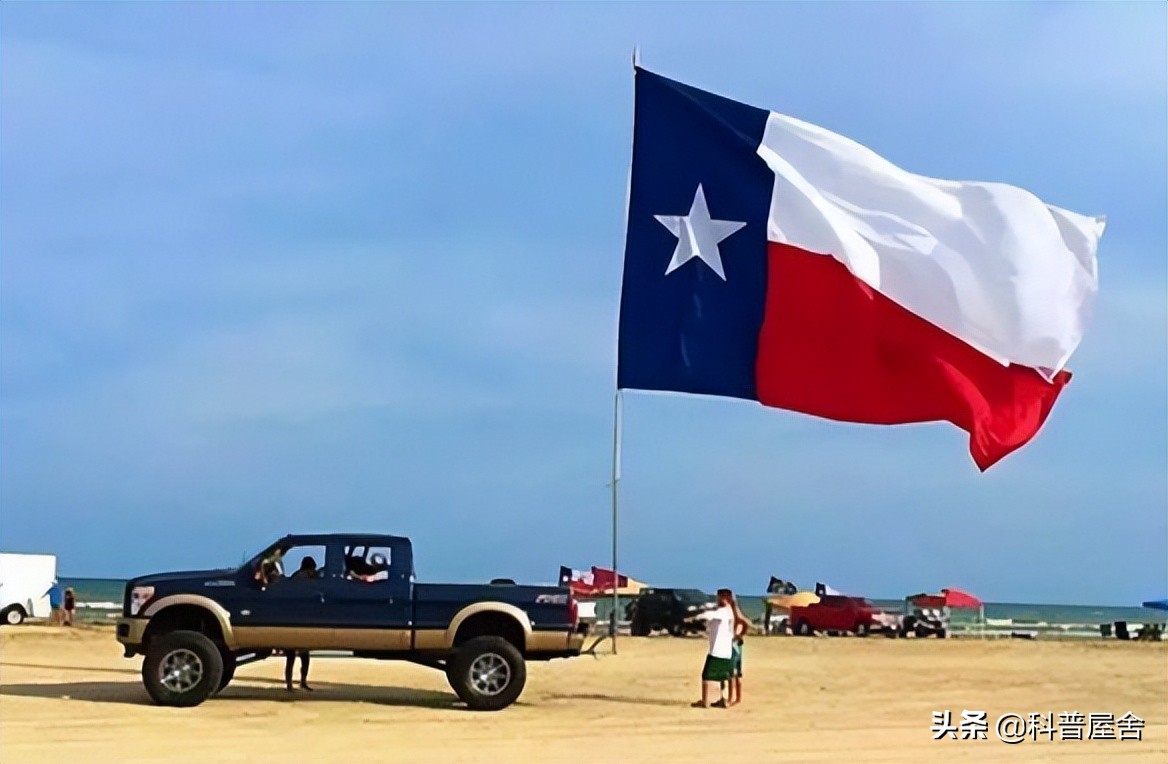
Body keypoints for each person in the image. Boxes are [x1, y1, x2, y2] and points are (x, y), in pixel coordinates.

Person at [691, 588, 736, 709]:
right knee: (722, 677)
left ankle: (705, 701)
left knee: (706, 675)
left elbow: (710, 615)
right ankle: (723, 699)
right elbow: (711, 625)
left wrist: (697, 616)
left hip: (718, 650)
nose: (717, 599)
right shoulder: (727, 612)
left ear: (724, 598)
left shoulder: (724, 611)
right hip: (725, 650)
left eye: (719, 597)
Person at [285, 556, 319, 691]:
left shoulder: (295, 577)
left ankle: (289, 684)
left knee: (291, 657)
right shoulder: (308, 577)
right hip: (301, 620)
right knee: (303, 657)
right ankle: (302, 682)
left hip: (293, 620)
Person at [726, 594, 752, 706]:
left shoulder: (733, 610)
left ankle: (731, 698)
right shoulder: (733, 609)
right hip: (738, 643)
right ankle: (737, 698)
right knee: (737, 672)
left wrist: (739, 635)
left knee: (732, 672)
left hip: (734, 644)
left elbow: (745, 622)